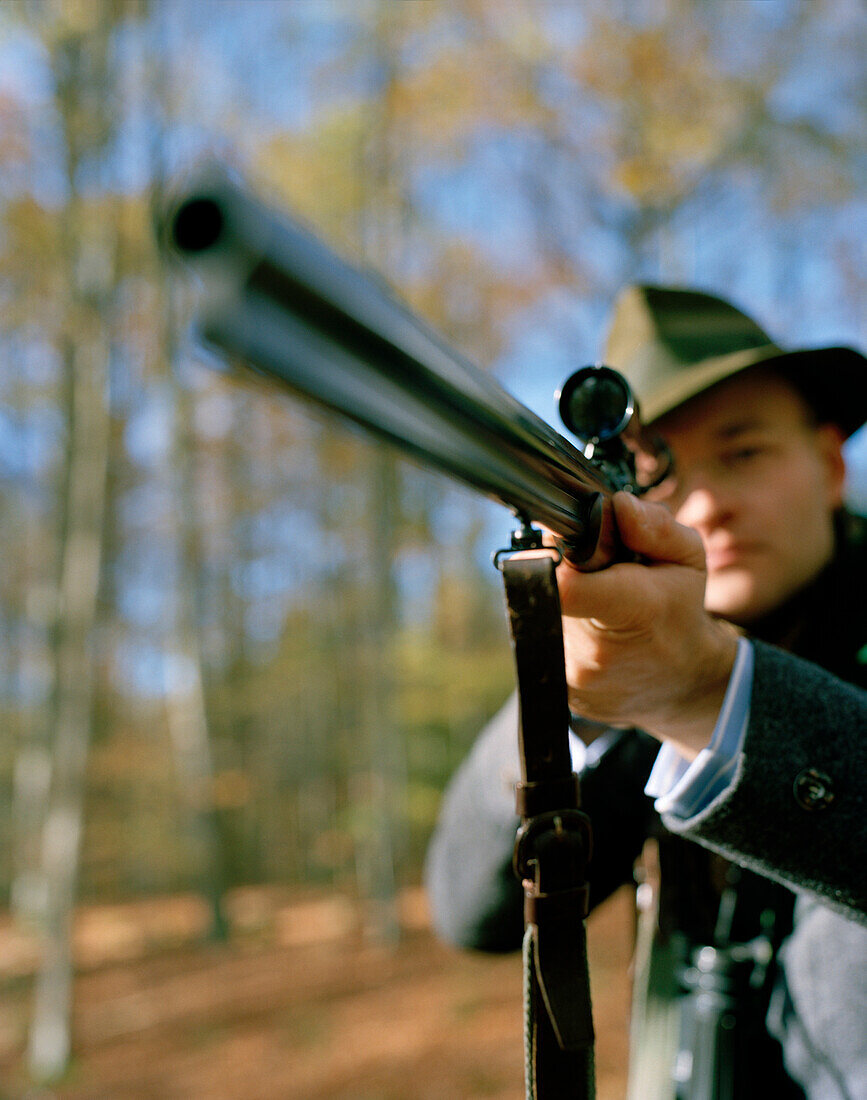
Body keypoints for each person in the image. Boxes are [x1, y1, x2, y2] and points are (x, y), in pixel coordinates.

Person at [425, 285, 867, 1099]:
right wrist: (576, 704)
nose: (704, 506)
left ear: (830, 464)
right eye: (660, 476)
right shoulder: (635, 668)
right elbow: (470, 910)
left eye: (743, 453)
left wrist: (707, 694)